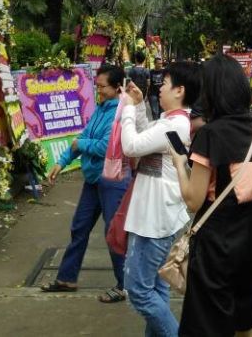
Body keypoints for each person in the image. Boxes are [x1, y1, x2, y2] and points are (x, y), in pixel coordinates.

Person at [171, 54, 252, 337]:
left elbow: (193, 200)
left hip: (217, 244)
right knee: (244, 322)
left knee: (207, 323)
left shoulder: (210, 135)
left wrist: (181, 165)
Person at [120, 61, 201, 337]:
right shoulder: (173, 121)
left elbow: (131, 146)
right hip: (157, 214)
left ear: (179, 90)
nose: (159, 89)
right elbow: (146, 137)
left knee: (139, 291)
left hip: (154, 218)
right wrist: (140, 106)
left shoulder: (176, 125)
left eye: (164, 84)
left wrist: (128, 108)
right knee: (156, 287)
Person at [41, 64, 130, 304]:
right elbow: (83, 138)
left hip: (113, 181)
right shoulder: (101, 108)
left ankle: (124, 285)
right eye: (97, 86)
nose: (98, 91)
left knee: (113, 234)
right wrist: (61, 163)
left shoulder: (122, 111)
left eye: (102, 87)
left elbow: (105, 146)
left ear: (117, 88)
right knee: (79, 227)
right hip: (93, 179)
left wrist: (81, 145)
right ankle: (67, 278)